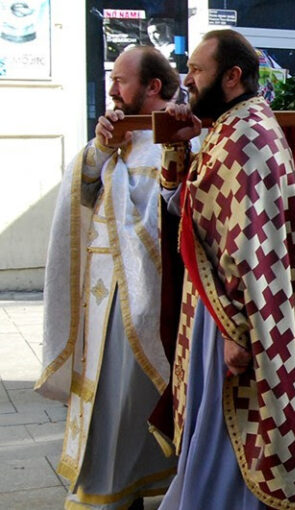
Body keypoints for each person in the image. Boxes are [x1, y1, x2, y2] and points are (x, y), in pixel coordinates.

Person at [157, 29, 295, 509]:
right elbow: (186, 210)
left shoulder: (246, 135)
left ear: (232, 76)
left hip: (235, 310)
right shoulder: (230, 127)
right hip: (223, 304)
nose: (187, 79)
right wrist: (178, 148)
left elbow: (251, 247)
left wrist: (237, 330)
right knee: (217, 416)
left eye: (197, 70)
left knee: (237, 417)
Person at [35, 46, 180, 509]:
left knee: (130, 399)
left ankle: (129, 485)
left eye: (121, 80)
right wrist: (100, 150)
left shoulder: (179, 134)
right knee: (105, 397)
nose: (113, 88)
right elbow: (82, 186)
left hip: (144, 289)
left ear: (153, 86)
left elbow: (171, 213)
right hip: (103, 292)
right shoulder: (116, 134)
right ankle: (116, 487)